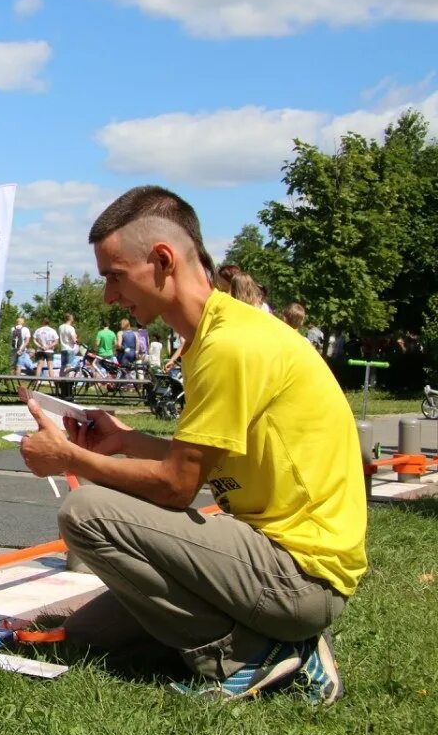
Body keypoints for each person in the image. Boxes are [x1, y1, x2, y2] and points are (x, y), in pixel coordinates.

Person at [20, 185, 365, 704]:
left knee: (86, 512)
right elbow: (204, 462)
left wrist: (69, 457)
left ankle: (254, 657)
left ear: (162, 260)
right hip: (282, 561)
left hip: (298, 577)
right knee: (91, 637)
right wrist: (124, 441)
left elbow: (179, 487)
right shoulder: (219, 335)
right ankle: (274, 641)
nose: (109, 296)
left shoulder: (228, 345)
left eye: (114, 277)